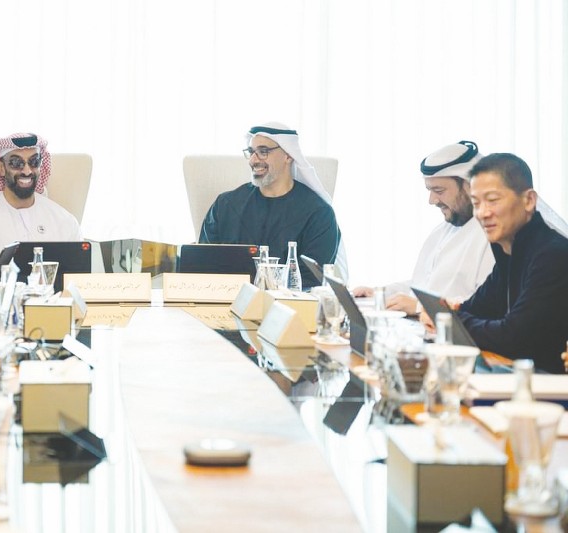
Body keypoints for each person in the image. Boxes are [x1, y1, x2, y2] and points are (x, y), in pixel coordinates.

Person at [454, 153, 568, 374]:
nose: (482, 213)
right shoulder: (509, 251)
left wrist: (451, 320)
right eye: (476, 203)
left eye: (492, 200)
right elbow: (474, 309)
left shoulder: (553, 254)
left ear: (529, 200)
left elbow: (513, 337)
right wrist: (453, 317)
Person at [353, 141, 494, 315]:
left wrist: (421, 308)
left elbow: (486, 306)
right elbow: (423, 285)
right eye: (430, 191)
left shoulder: (493, 235)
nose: (432, 200)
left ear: (470, 187)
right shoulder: (442, 231)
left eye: (439, 191)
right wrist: (380, 293)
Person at [199, 123, 344, 285]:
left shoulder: (319, 213)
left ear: (288, 156)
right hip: (229, 299)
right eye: (251, 152)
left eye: (263, 152)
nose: (253, 160)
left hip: (290, 301)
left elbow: (311, 281)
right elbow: (203, 265)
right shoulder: (225, 206)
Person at [0, 133, 82, 291]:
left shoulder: (65, 221)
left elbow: (77, 285)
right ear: (1, 168)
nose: (27, 171)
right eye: (16, 163)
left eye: (34, 162)